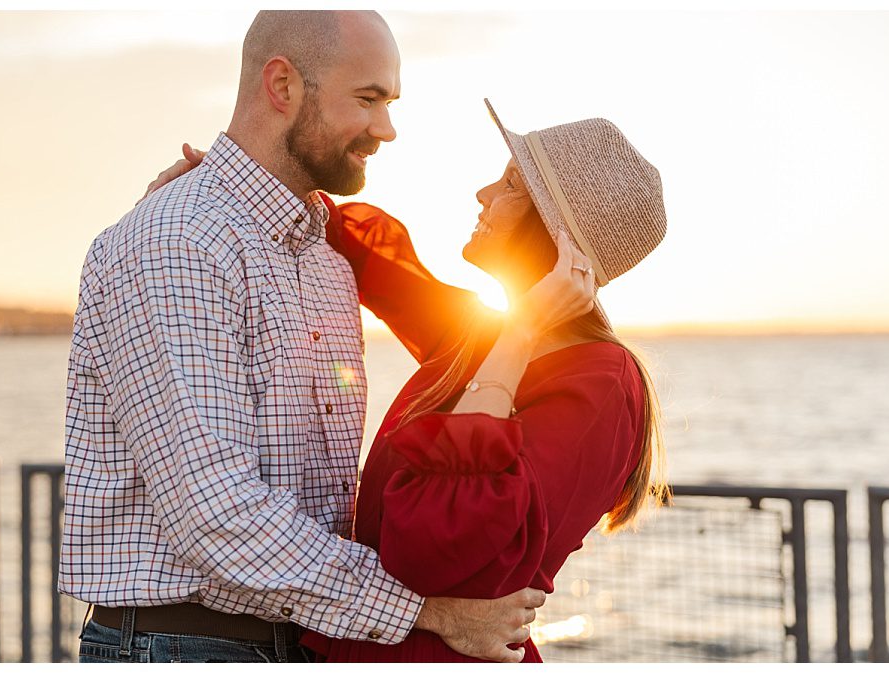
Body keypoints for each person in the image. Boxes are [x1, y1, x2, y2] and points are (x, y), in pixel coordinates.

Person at [60, 11, 545, 664]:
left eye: (391, 103)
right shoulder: (178, 241)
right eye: (368, 99)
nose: (387, 129)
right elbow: (217, 516)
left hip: (309, 641)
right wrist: (427, 613)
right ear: (282, 86)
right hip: (180, 646)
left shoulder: (326, 263)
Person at [147, 99, 669, 662]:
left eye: (512, 184)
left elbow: (431, 541)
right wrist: (219, 190)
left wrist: (519, 333)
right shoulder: (476, 338)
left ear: (560, 238)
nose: (484, 194)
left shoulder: (601, 382)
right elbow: (372, 255)